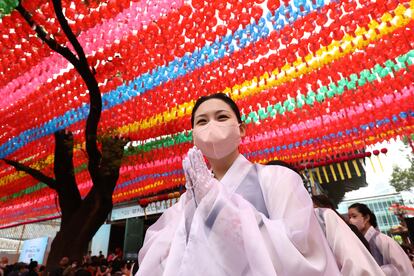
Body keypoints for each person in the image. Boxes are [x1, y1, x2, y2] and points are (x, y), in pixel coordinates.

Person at [137, 93, 340, 275]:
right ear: (194, 136)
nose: (211, 126)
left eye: (221, 117)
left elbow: (301, 248)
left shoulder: (277, 178)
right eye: (202, 121)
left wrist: (218, 205)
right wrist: (192, 213)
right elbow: (153, 259)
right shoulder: (188, 201)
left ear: (241, 129)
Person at [310, 195, 384, 275]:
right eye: (349, 217)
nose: (314, 215)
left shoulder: (348, 230)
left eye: (354, 216)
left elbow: (357, 266)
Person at [348, 203, 414, 276]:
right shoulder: (359, 243)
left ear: (366, 218)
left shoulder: (382, 240)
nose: (351, 221)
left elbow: (403, 269)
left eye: (354, 216)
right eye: (349, 217)